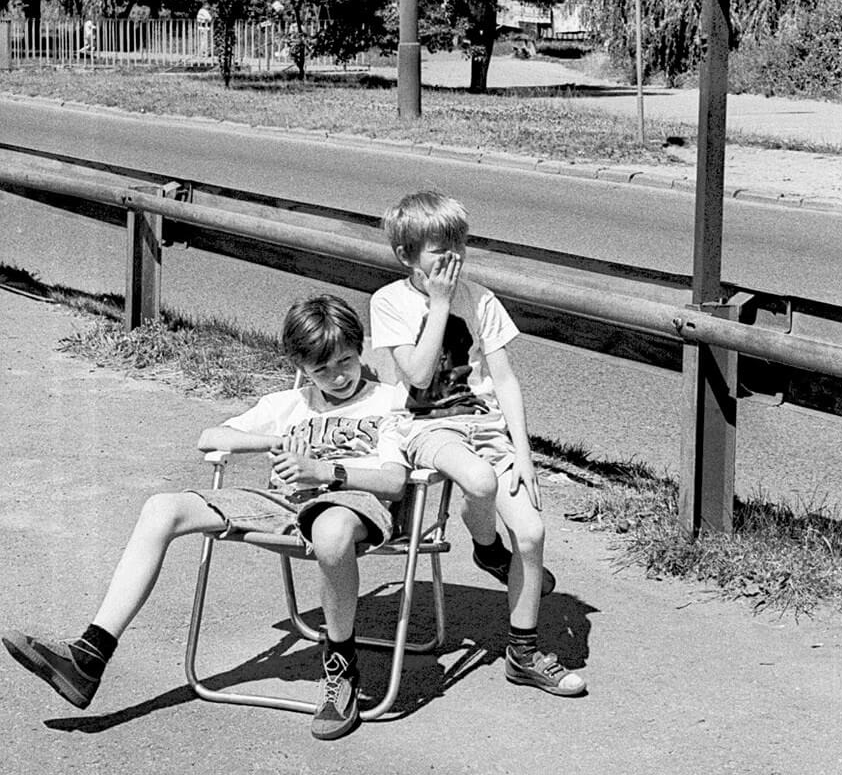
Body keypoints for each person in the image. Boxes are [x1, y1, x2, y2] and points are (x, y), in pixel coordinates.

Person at [3, 295, 409, 741]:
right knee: (162, 508)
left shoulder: (386, 402)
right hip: (284, 505)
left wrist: (324, 470)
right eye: (321, 370)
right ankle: (89, 655)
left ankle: (341, 667)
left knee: (331, 531)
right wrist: (275, 441)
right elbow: (209, 438)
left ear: (360, 349)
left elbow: (393, 483)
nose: (337, 376)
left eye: (346, 361)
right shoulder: (290, 403)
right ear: (302, 366)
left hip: (351, 502)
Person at [370, 190, 586, 698]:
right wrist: (440, 304)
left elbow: (506, 381)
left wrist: (526, 455)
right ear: (407, 256)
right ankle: (486, 543)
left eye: (459, 247)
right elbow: (419, 376)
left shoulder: (481, 298)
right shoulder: (390, 302)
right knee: (479, 479)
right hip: (426, 426)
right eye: (438, 250)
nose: (453, 259)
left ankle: (524, 651)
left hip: (484, 426)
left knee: (531, 534)